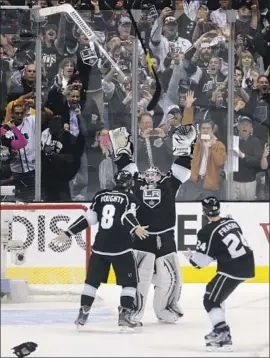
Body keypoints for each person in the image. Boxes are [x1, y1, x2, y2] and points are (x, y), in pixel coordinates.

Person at [109, 118, 197, 323]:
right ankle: (132, 311)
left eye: (154, 173)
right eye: (147, 173)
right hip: (141, 238)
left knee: (171, 279)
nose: (151, 175)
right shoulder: (135, 182)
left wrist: (184, 147)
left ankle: (166, 309)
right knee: (140, 278)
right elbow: (126, 167)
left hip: (166, 237)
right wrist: (122, 150)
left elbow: (182, 170)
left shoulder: (169, 183)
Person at [51, 171, 149, 330]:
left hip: (100, 247)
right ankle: (124, 315)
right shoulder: (130, 198)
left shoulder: (101, 195)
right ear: (130, 183)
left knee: (91, 282)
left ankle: (83, 314)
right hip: (121, 248)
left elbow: (89, 219)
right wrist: (135, 227)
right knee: (130, 284)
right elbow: (126, 216)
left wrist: (69, 232)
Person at [185, 196, 255, 351]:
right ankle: (220, 330)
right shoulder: (232, 221)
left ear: (204, 211)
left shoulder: (207, 231)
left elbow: (200, 263)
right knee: (215, 294)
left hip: (232, 268)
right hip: (247, 264)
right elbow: (224, 246)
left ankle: (223, 335)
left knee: (210, 299)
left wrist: (191, 258)